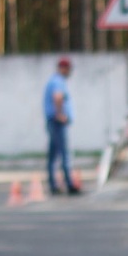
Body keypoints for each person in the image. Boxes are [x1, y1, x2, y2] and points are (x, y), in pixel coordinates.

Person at [43, 56, 81, 195]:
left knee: (53, 155)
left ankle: (53, 185)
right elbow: (58, 97)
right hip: (57, 122)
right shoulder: (58, 81)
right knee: (65, 154)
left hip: (53, 122)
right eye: (68, 69)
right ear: (63, 68)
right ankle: (70, 184)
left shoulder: (53, 80)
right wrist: (60, 115)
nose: (69, 72)